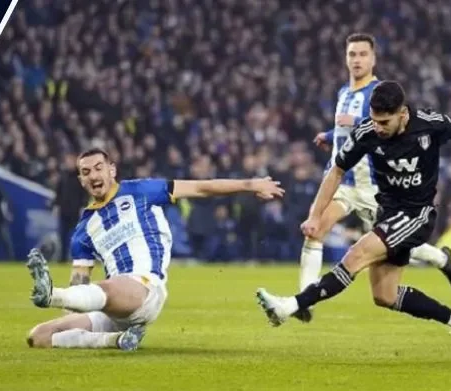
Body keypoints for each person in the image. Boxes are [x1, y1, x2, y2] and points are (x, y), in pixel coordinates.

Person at [255, 81, 451, 357]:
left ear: (403, 114)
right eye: (374, 121)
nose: (379, 128)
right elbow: (336, 171)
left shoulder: (428, 124)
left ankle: (287, 307)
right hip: (387, 212)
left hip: (416, 213)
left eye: (385, 122)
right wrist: (315, 215)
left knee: (356, 255)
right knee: (384, 295)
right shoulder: (367, 132)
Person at [25, 148, 284, 350]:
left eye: (98, 168)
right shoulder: (82, 230)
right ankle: (116, 340)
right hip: (113, 307)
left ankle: (50, 295)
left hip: (145, 289)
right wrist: (68, 321)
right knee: (39, 336)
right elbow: (78, 288)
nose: (93, 175)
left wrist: (251, 185)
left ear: (112, 170)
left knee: (109, 286)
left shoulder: (143, 190)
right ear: (81, 179)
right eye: (86, 172)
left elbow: (201, 187)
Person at [301, 33, 451, 322]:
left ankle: (440, 258)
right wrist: (329, 135)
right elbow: (351, 134)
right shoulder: (343, 93)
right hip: (345, 183)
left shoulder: (380, 95)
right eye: (352, 54)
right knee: (317, 227)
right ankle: (304, 301)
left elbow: (374, 131)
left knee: (389, 245)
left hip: (375, 185)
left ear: (373, 59)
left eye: (362, 54)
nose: (356, 60)